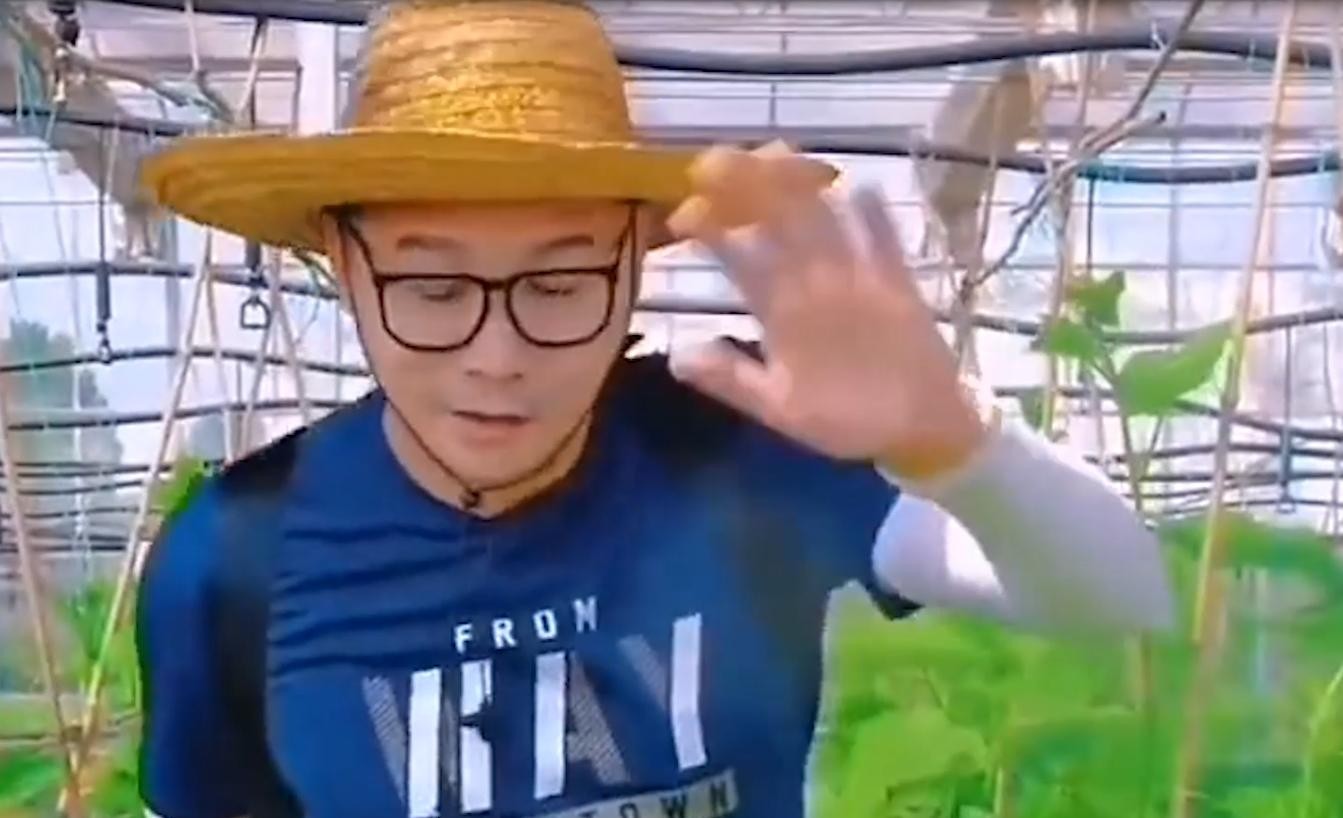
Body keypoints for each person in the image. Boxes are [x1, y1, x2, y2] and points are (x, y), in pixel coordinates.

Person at [134, 2, 1174, 817]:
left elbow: (1117, 596)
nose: (497, 358)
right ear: (342, 260)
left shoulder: (743, 447)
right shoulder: (236, 555)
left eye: (559, 285)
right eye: (433, 289)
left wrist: (948, 441)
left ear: (636, 257)